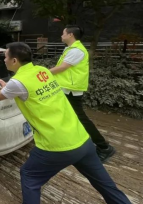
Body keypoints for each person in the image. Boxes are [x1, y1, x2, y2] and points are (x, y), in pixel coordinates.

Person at [0, 42, 135, 204]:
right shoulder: (41, 71)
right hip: (82, 140)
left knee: (29, 175)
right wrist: (9, 89)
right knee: (106, 186)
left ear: (14, 61)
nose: (3, 60)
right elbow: (30, 91)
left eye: (5, 57)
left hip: (57, 145)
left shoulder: (18, 81)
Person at [49, 25, 115, 163]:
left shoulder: (77, 50)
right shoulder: (71, 49)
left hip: (71, 90)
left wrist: (43, 73)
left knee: (80, 118)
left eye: (63, 33)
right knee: (70, 117)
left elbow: (63, 67)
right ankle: (76, 143)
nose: (61, 36)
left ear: (71, 35)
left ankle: (104, 147)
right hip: (66, 88)